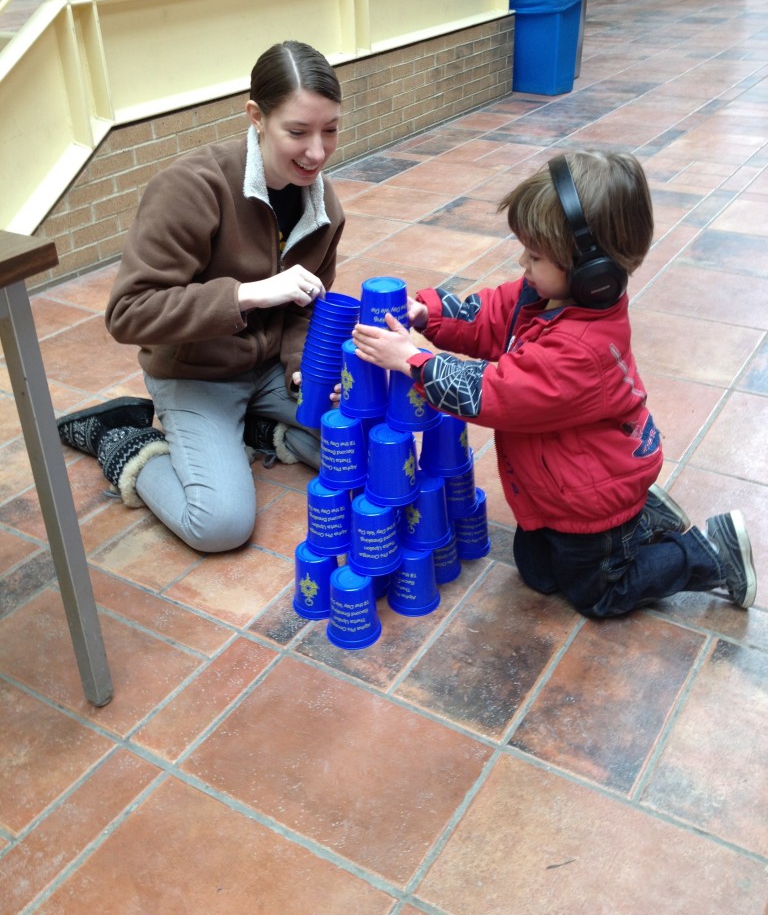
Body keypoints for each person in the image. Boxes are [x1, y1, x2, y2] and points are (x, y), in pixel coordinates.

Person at [352, 151, 757, 617]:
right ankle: (640, 522)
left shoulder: (580, 350)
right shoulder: (545, 294)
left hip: (591, 496)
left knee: (597, 595)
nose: (523, 261)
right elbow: (489, 315)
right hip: (561, 484)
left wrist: (413, 362)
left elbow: (494, 392)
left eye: (536, 255)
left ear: (592, 273)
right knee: (538, 572)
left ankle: (708, 555)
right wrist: (433, 315)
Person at [57, 40, 345, 553]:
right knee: (220, 526)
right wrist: (247, 295)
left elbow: (309, 307)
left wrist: (304, 366)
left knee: (366, 452)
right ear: (256, 116)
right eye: (298, 132)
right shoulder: (191, 187)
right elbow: (128, 314)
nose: (317, 152)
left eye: (330, 130)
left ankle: (258, 431)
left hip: (270, 373)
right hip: (196, 374)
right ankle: (119, 439)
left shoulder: (325, 208)